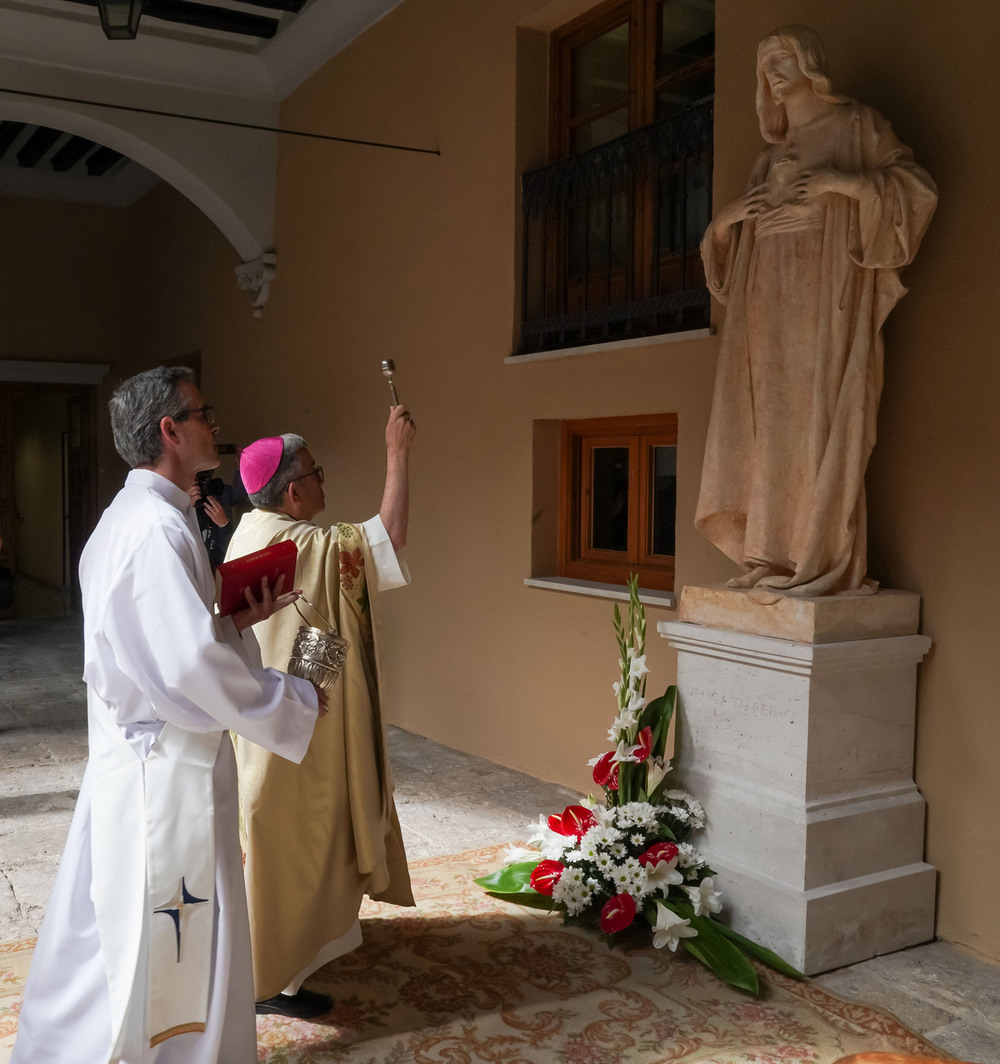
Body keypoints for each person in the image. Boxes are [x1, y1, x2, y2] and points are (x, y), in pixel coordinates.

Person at [11, 366, 328, 1064]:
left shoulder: (139, 517)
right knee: (167, 927)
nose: (214, 423)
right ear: (169, 430)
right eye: (203, 412)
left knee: (117, 925)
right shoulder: (155, 528)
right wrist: (289, 699)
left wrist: (237, 616)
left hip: (141, 762)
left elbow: (174, 641)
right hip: (166, 775)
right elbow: (187, 666)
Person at [695, 25, 937, 596]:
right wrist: (727, 219)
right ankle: (768, 554)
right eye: (765, 67)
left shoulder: (857, 126)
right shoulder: (767, 159)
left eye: (781, 60)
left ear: (810, 64)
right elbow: (728, 258)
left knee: (821, 418)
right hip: (766, 305)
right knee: (768, 424)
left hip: (826, 301)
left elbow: (915, 189)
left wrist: (841, 182)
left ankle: (814, 554)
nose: (773, 74)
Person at [226, 404, 416, 1018]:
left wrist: (321, 679)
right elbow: (383, 541)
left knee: (292, 835)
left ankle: (286, 958)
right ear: (292, 490)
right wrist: (397, 453)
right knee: (300, 836)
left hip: (279, 703)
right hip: (290, 720)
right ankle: (272, 977)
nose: (323, 482)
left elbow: (313, 622)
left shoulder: (251, 529)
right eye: (316, 472)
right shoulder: (297, 541)